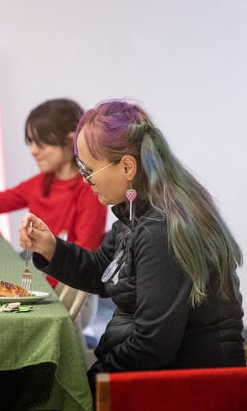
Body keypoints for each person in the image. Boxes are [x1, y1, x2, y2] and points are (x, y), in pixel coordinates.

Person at [19, 99, 245, 396]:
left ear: (127, 166)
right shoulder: (138, 209)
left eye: (90, 172)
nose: (87, 181)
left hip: (191, 386)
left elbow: (153, 345)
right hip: (166, 370)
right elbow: (103, 270)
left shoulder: (160, 229)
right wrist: (51, 248)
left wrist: (93, 382)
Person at [0, 98, 108, 289]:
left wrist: (33, 288)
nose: (33, 151)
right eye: (31, 143)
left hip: (71, 289)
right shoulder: (39, 183)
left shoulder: (90, 191)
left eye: (42, 144)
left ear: (71, 142)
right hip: (40, 276)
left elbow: (84, 259)